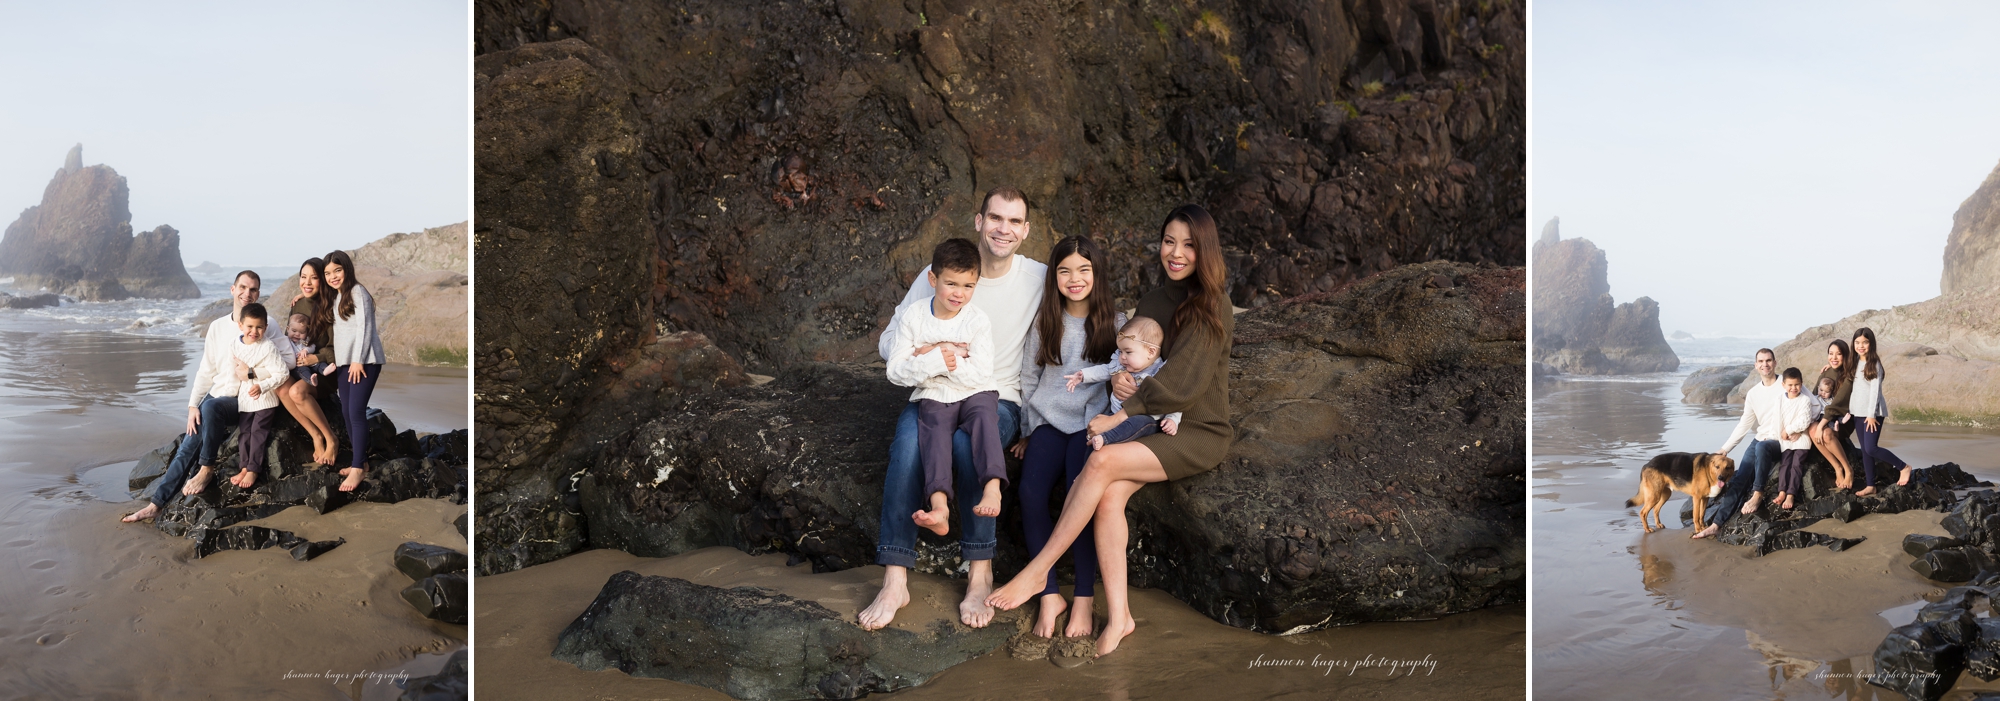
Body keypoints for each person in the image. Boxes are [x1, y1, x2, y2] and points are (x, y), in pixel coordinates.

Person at [987, 204, 1234, 657]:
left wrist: (1120, 415)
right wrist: (1122, 383)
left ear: (1206, 250)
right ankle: (1120, 615)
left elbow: (1184, 382)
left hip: (1195, 430)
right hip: (1149, 424)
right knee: (1109, 496)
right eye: (1169, 242)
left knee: (1099, 461)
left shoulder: (1212, 304)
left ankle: (1038, 570)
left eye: (1189, 245)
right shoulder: (1155, 302)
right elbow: (1135, 364)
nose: (1176, 253)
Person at [858, 187, 1045, 632]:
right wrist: (933, 349)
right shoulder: (937, 273)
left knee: (965, 446)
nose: (1004, 229)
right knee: (907, 445)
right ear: (979, 221)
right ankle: (895, 576)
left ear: (1026, 231)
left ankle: (980, 573)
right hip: (932, 388)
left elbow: (1079, 318)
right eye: (995, 218)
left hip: (996, 396)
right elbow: (890, 341)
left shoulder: (1038, 277)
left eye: (1014, 222)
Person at [1011, 235, 1123, 639]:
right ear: (1053, 276)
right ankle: (1048, 593)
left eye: (1083, 270)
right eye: (1064, 271)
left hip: (1091, 426)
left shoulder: (1117, 323)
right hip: (1048, 421)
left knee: (1081, 498)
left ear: (1097, 274)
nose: (1074, 279)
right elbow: (1029, 377)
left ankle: (1084, 601)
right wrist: (1026, 430)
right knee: (1030, 493)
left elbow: (1129, 378)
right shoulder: (1046, 321)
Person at [885, 238, 1008, 534]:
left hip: (977, 392)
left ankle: (993, 487)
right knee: (934, 434)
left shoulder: (977, 320)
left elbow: (980, 373)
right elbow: (895, 371)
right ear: (932, 278)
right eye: (951, 284)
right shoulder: (914, 316)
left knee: (984, 421)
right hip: (934, 395)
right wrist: (945, 356)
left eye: (968, 286)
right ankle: (939, 506)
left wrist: (929, 354)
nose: (959, 294)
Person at [121, 271, 262, 522]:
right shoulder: (218, 327)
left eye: (253, 290)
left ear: (258, 294)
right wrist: (192, 405)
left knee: (212, 411)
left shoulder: (264, 325)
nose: (247, 294)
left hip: (241, 399)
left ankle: (206, 469)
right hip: (215, 394)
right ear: (232, 289)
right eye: (243, 287)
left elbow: (281, 362)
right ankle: (156, 504)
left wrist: (251, 374)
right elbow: (206, 370)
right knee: (188, 443)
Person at [1691, 348, 1782, 539]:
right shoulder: (1754, 393)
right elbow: (1744, 424)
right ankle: (1716, 524)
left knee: (1761, 447)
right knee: (1740, 478)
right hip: (1760, 438)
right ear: (1756, 365)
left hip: (1779, 441)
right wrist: (1725, 449)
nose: (1765, 364)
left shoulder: (1786, 384)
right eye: (1761, 361)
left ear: (1775, 363)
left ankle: (1757, 495)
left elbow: (1808, 404)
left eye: (1768, 360)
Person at [1064, 316, 1183, 451]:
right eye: (1120, 351)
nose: (1122, 357)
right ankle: (1093, 453)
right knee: (1096, 431)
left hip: (1146, 420)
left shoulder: (1160, 373)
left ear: (1151, 352)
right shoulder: (1122, 366)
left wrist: (1172, 419)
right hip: (1114, 415)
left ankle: (1106, 438)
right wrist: (1083, 375)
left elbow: (1172, 398)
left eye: (1128, 352)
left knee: (1135, 423)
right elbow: (1105, 369)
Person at [327, 250, 385, 492]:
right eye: (328, 273)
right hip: (344, 363)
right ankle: (360, 462)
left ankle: (358, 469)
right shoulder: (336, 297)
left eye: (337, 270)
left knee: (356, 411)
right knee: (347, 411)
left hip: (364, 361)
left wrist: (358, 360)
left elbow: (365, 328)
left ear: (347, 269)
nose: (333, 276)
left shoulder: (357, 291)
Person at [278, 258, 340, 467]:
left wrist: (316, 358)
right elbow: (290, 339)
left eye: (314, 278)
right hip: (300, 368)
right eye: (303, 277)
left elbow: (338, 349)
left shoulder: (332, 307)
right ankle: (315, 435)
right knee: (281, 387)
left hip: (324, 371)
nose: (307, 282)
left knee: (296, 392)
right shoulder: (298, 304)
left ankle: (330, 438)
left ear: (323, 280)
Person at [225, 303, 290, 489]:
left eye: (259, 327)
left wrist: (262, 386)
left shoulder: (267, 347)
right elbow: (233, 372)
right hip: (245, 400)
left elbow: (282, 373)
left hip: (265, 399)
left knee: (257, 432)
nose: (254, 331)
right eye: (250, 326)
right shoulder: (234, 345)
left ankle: (253, 469)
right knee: (244, 433)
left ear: (266, 328)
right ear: (240, 325)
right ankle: (244, 466)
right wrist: (231, 394)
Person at [1849, 327, 1911, 495]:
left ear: (1871, 344)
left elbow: (1875, 391)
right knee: (1864, 450)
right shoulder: (1854, 362)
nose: (1861, 346)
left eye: (1865, 342)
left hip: (1872, 414)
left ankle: (1903, 467)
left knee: (1871, 448)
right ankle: (1871, 485)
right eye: (1857, 342)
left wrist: (1871, 415)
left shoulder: (1874, 364)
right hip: (1857, 412)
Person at [1810, 340, 1858, 490]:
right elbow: (1813, 397)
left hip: (1842, 419)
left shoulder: (1849, 375)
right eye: (1831, 354)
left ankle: (1848, 469)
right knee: (1812, 430)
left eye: (1839, 354)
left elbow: (1836, 404)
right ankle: (1837, 467)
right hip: (1823, 416)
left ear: (1845, 356)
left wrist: (1821, 426)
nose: (1834, 357)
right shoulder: (1826, 372)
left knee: (1825, 434)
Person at [1773, 368, 1815, 510]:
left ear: (1801, 384)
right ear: (1783, 384)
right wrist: (1778, 436)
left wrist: (1789, 430)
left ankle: (1791, 493)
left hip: (1802, 440)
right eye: (1790, 385)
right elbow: (1777, 420)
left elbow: (1804, 420)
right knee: (1785, 464)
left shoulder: (1805, 400)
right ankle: (1782, 491)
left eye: (1796, 385)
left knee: (1796, 465)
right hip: (1786, 440)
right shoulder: (1779, 400)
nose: (1793, 388)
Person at [284, 314, 335, 385]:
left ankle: (324, 370)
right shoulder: (285, 341)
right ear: (287, 329)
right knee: (302, 371)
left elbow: (312, 346)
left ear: (307, 333)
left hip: (310, 360)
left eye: (302, 332)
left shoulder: (305, 340)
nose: (297, 334)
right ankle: (311, 379)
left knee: (319, 364)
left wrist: (306, 350)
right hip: (299, 365)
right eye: (294, 331)